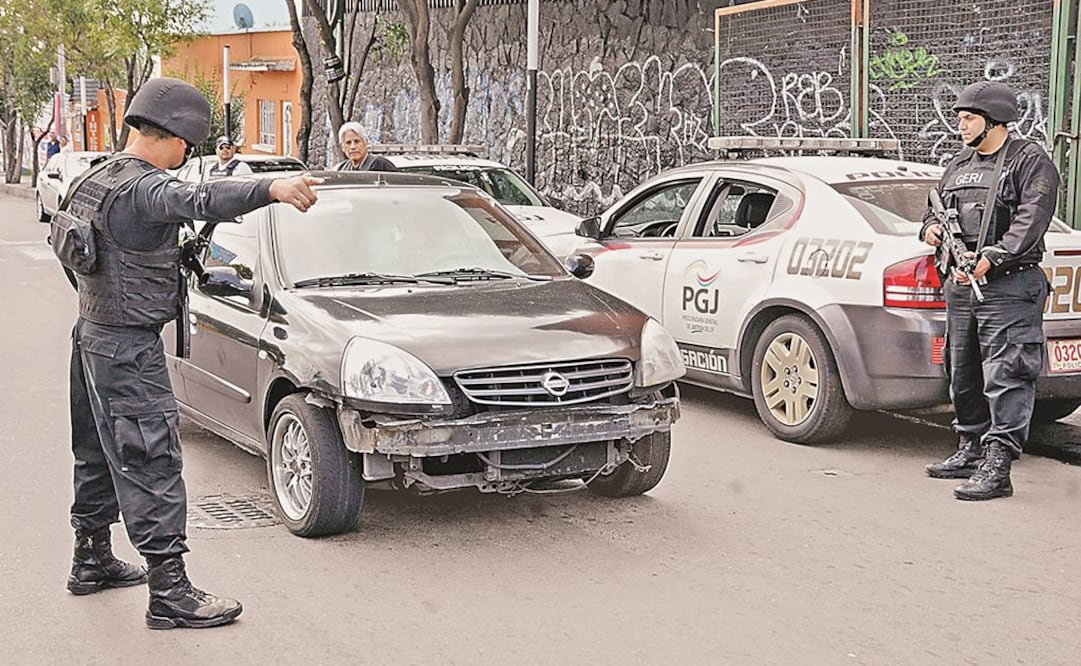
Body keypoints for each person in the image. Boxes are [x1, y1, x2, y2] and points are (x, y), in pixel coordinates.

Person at [62, 77, 321, 628]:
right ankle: (170, 592)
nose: (187, 157)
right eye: (189, 146)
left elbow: (72, 256)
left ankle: (91, 558)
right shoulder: (144, 189)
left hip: (91, 335)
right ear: (175, 136)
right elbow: (197, 199)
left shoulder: (94, 179)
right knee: (152, 457)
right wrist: (269, 191)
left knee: (97, 451)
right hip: (127, 348)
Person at [919, 81, 1059, 501]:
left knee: (1008, 374)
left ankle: (998, 465)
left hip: (1009, 286)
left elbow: (1032, 217)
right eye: (960, 117)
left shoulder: (1028, 160)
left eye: (968, 118)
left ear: (995, 120)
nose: (959, 125)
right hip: (961, 285)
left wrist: (995, 256)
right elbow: (934, 207)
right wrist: (929, 229)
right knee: (961, 371)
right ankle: (971, 446)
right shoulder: (959, 163)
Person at [332, 121, 397, 171]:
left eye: (357, 141)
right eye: (348, 143)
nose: (353, 147)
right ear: (342, 147)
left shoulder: (380, 164)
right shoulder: (342, 169)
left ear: (366, 143)